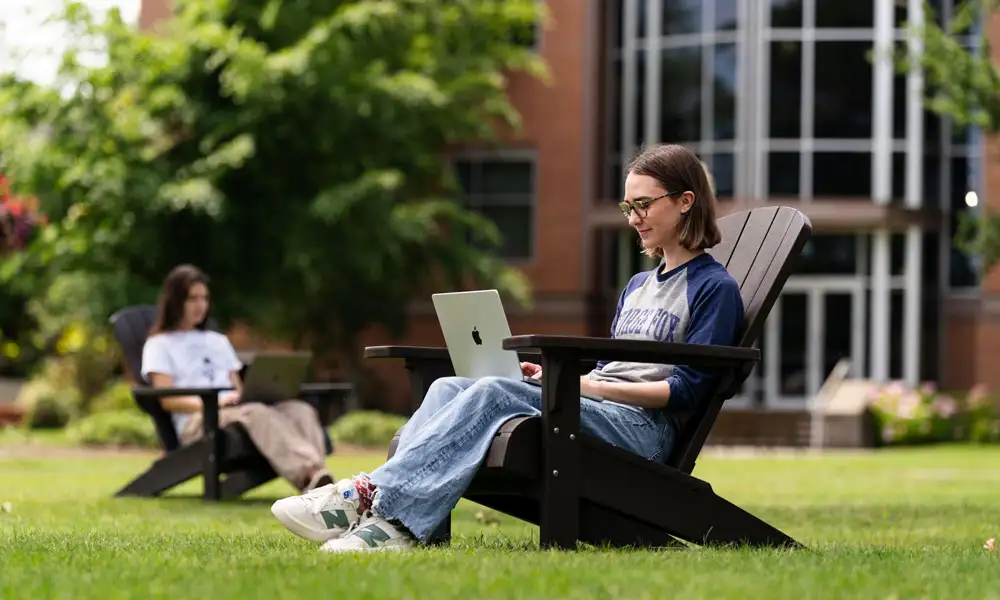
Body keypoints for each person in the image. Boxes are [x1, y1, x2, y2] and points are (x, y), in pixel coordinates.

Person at [270, 143, 745, 552]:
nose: (634, 218)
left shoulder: (714, 288)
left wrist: (581, 387)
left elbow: (688, 390)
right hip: (600, 407)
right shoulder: (638, 286)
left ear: (685, 201)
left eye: (644, 205)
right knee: (449, 386)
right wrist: (557, 380)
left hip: (644, 430)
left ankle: (367, 499)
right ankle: (390, 524)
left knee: (494, 391)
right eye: (628, 207)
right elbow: (608, 368)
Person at [141, 264, 334, 492]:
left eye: (204, 298)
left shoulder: (217, 341)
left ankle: (320, 478)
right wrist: (215, 403)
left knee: (300, 410)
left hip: (236, 411)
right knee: (255, 413)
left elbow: (237, 386)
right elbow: (168, 400)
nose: (200, 305)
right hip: (199, 420)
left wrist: (255, 394)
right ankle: (309, 477)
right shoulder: (159, 344)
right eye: (192, 299)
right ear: (175, 301)